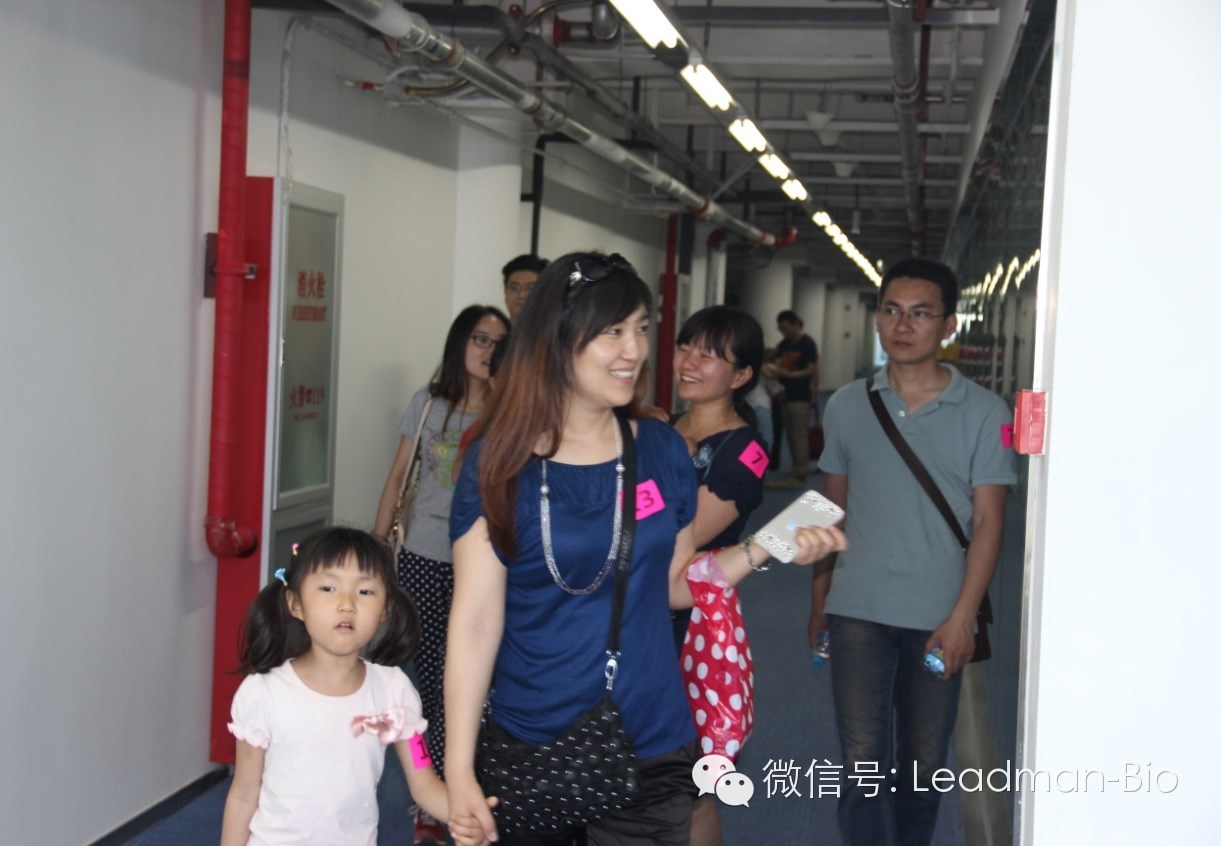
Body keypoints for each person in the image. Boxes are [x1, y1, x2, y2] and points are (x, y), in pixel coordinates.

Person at [444, 251, 847, 846]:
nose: (633, 350)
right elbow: (475, 620)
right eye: (611, 332)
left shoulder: (660, 449)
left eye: (639, 328)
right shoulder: (499, 461)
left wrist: (772, 543)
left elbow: (675, 585)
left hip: (652, 736)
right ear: (555, 338)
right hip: (532, 734)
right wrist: (457, 770)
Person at [807, 258, 1017, 846]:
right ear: (878, 319)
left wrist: (963, 617)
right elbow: (829, 510)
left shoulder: (986, 412)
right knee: (861, 762)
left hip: (937, 617)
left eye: (921, 314)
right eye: (893, 311)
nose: (903, 325)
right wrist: (819, 600)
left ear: (948, 326)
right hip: (856, 612)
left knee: (923, 765)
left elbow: (989, 522)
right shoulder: (846, 404)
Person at [219, 528, 492, 846]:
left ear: (385, 609)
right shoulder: (264, 692)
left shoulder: (393, 692)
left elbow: (424, 783)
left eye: (365, 591)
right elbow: (243, 796)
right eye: (328, 588)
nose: (346, 604)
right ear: (296, 603)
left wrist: (465, 817)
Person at [373, 305, 508, 844]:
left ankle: (468, 786)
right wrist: (377, 556)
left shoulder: (510, 409)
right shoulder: (429, 404)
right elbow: (397, 477)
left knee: (477, 681)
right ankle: (432, 798)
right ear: (459, 343)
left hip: (487, 565)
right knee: (428, 680)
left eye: (498, 342)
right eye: (479, 339)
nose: (488, 351)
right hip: (425, 558)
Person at [669, 305, 768, 846]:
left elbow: (682, 537)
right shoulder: (661, 427)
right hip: (629, 618)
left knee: (690, 786)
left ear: (741, 375)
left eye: (709, 355)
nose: (690, 362)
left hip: (691, 626)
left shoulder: (744, 450)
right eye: (686, 347)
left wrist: (670, 464)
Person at [764, 310, 819, 487]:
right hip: (784, 396)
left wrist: (791, 375)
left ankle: (800, 471)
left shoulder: (807, 343)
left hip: (800, 396)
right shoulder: (784, 344)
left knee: (799, 435)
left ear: (796, 325)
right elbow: (776, 362)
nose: (783, 332)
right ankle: (796, 466)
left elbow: (812, 370)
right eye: (780, 328)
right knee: (790, 434)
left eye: (786, 328)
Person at [501, 254, 548, 322]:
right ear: (505, 293)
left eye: (530, 289)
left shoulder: (556, 328)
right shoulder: (496, 328)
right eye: (514, 288)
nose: (521, 295)